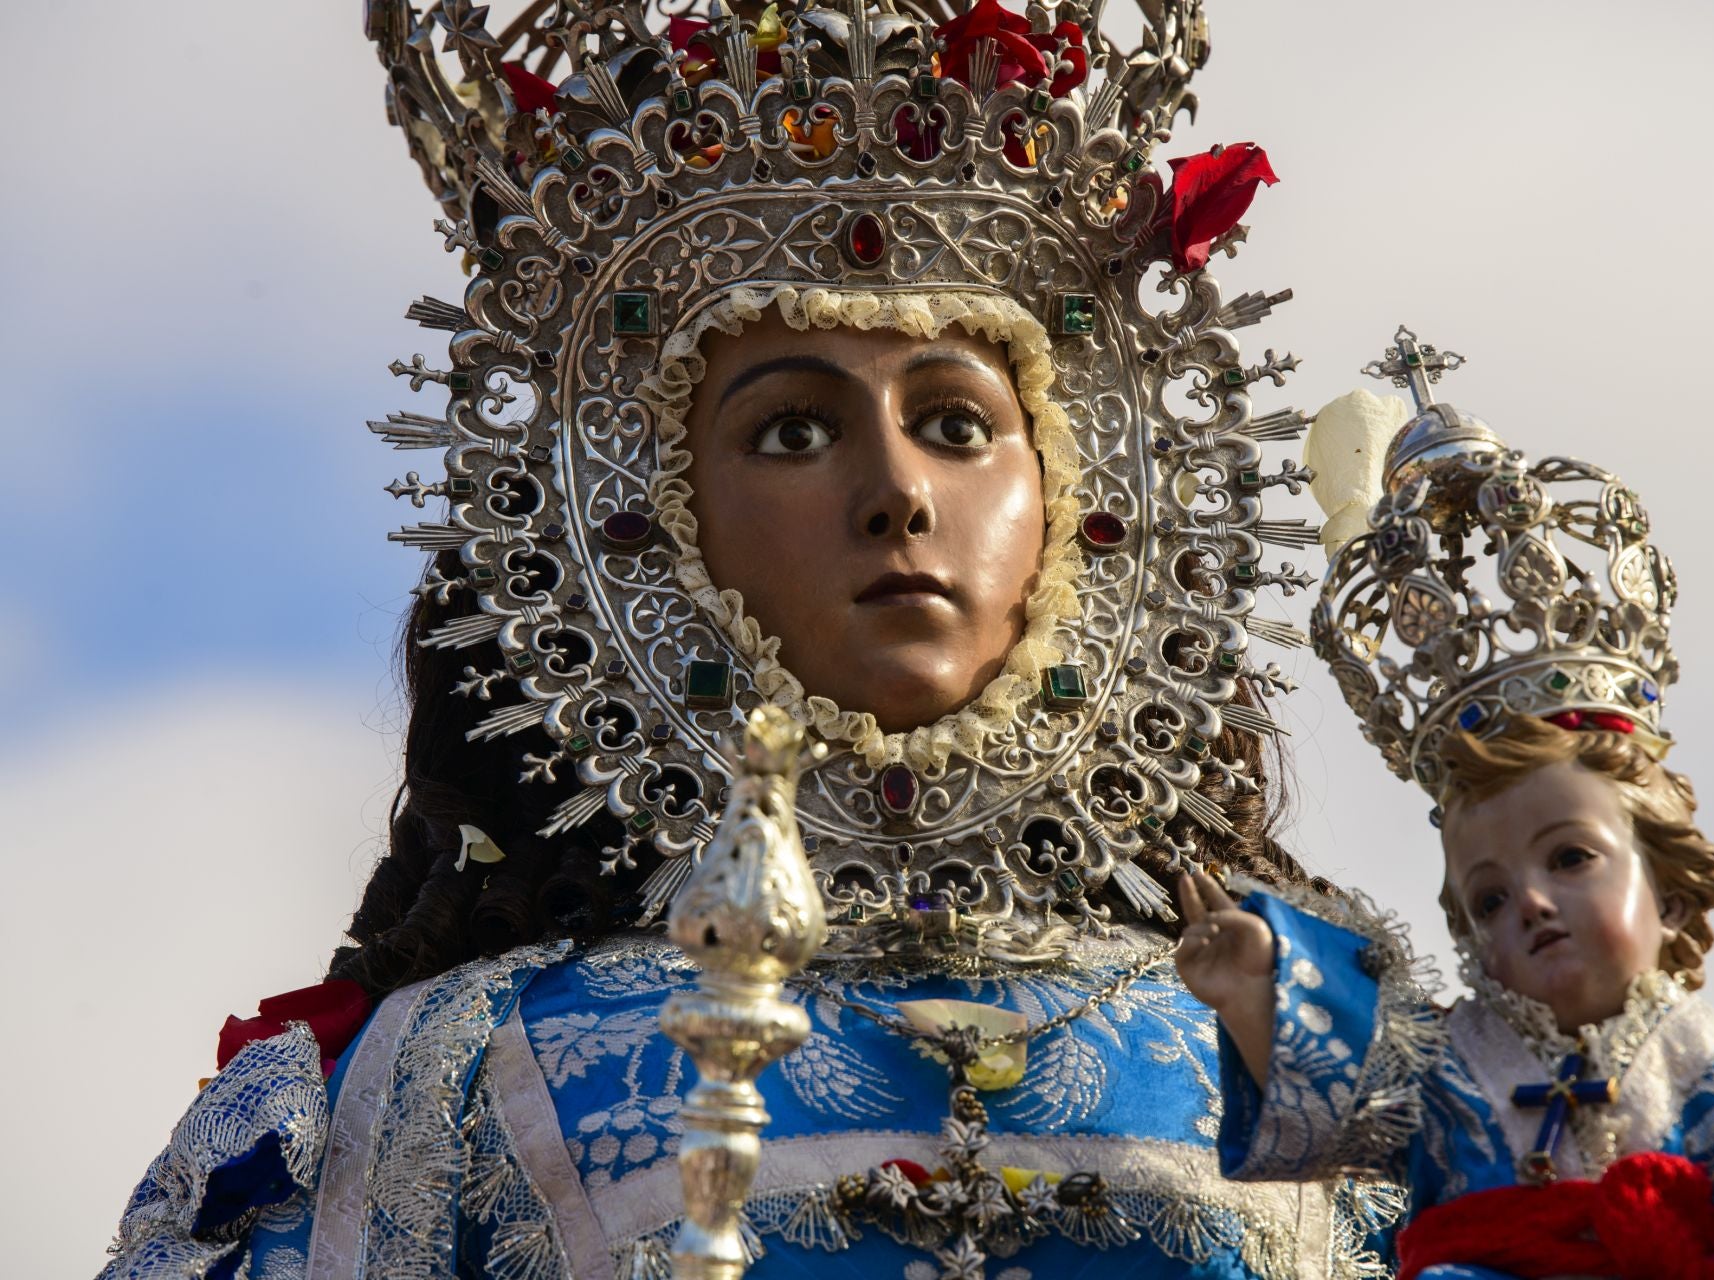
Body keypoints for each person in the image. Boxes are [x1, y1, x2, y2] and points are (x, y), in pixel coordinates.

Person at [97, 2, 1378, 1277]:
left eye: (955, 421)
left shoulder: (1304, 1058)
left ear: (1076, 493)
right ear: (642, 523)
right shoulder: (441, 1083)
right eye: (793, 431)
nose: (897, 491)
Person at [1174, 370, 1714, 1278]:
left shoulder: (1711, 1068)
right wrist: (1257, 988)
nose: (1527, 903)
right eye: (1487, 900)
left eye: (1569, 858)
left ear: (1672, 897)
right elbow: (1348, 1103)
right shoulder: (1456, 1060)